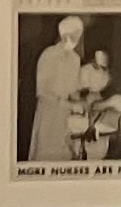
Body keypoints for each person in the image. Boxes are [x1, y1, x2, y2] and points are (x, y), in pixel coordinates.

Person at [27, 15, 94, 164]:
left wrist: (81, 104)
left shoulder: (75, 59)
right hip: (49, 115)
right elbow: (42, 93)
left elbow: (74, 91)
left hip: (66, 119)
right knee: (47, 156)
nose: (74, 39)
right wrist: (65, 104)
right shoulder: (48, 55)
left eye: (77, 35)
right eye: (71, 34)